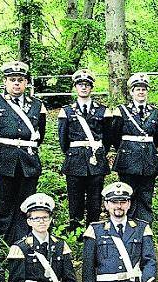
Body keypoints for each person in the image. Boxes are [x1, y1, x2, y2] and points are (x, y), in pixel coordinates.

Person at [0, 61, 47, 243]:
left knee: (26, 205)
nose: (16, 83)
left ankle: (24, 243)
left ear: (26, 83)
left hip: (28, 162)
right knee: (3, 206)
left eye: (20, 80)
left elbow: (39, 135)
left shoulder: (37, 105)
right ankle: (3, 243)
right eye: (12, 80)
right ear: (5, 82)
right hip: (1, 161)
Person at [81, 182, 157, 282]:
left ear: (129, 204)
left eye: (123, 202)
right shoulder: (95, 230)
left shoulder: (141, 228)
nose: (119, 206)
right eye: (114, 202)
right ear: (106, 205)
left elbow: (149, 261)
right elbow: (88, 270)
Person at [57, 69, 112, 229]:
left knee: (95, 199)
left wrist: (100, 151)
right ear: (75, 87)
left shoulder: (103, 111)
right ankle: (76, 229)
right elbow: (63, 140)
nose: (83, 88)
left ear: (91, 87)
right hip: (74, 160)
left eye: (87, 85)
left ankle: (93, 230)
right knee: (75, 198)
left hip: (96, 160)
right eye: (80, 85)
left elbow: (107, 138)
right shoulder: (66, 111)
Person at [113, 73, 158, 224]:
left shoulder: (156, 113)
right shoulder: (121, 111)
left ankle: (145, 226)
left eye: (143, 89)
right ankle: (127, 225)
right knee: (127, 194)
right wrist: (129, 148)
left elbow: (157, 139)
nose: (141, 92)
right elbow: (115, 137)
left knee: (146, 195)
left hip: (148, 159)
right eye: (137, 89)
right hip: (128, 160)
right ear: (131, 92)